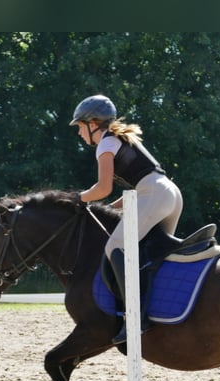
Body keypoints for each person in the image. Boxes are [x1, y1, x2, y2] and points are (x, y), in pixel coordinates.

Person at [69, 94, 183, 345]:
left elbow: (102, 188)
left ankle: (136, 318)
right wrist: (111, 207)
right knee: (149, 253)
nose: (79, 133)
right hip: (169, 193)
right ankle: (158, 309)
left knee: (114, 247)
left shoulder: (105, 144)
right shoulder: (119, 139)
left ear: (93, 122)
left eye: (80, 126)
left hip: (155, 194)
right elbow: (140, 186)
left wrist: (78, 198)